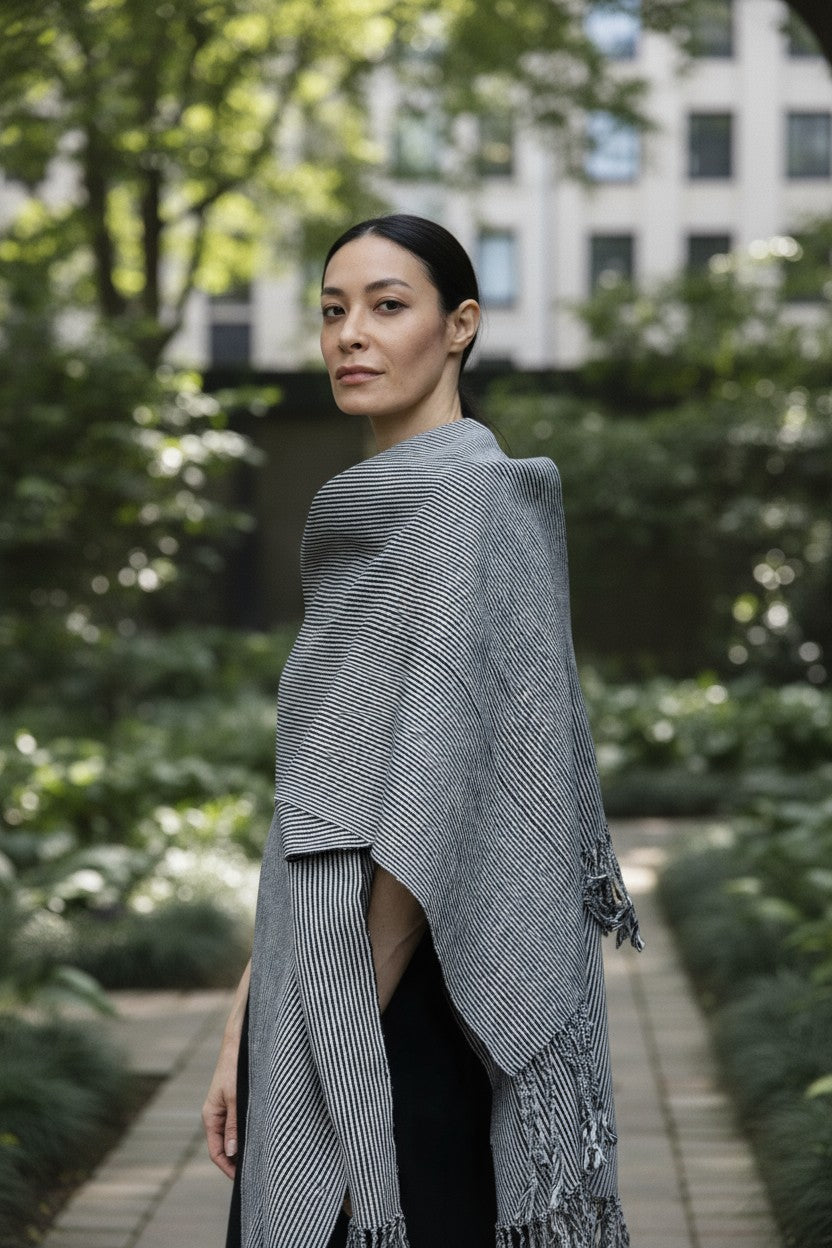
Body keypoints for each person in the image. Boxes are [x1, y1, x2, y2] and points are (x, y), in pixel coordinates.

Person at [203, 214, 643, 1248]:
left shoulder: (469, 505)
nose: (350, 334)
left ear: (459, 326)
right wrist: (246, 1026)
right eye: (332, 311)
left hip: (401, 1001)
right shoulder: (368, 514)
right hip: (322, 966)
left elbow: (427, 815)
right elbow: (318, 804)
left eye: (387, 306)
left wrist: (327, 1051)